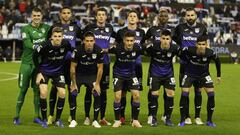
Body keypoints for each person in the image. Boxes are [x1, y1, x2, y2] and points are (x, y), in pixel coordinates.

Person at [13, 7, 50, 125]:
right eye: (34, 15)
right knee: (23, 90)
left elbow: (55, 35)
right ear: (31, 16)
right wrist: (36, 46)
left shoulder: (46, 28)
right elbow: (27, 43)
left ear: (42, 16)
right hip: (26, 64)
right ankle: (16, 116)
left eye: (38, 15)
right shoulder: (26, 28)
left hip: (39, 66)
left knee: (37, 91)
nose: (36, 18)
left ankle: (36, 116)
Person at [47, 6, 82, 126]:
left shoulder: (76, 27)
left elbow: (82, 42)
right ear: (60, 14)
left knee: (72, 88)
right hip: (57, 63)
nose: (66, 15)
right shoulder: (54, 27)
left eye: (68, 13)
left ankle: (72, 116)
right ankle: (51, 115)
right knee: (54, 89)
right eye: (64, 13)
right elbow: (48, 43)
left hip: (71, 63)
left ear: (71, 14)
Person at [173, 7, 208, 125]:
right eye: (188, 15)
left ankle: (197, 117)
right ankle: (186, 116)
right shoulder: (179, 28)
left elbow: (206, 44)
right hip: (185, 65)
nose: (190, 17)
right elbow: (175, 38)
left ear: (196, 16)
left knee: (198, 91)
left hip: (199, 66)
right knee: (185, 91)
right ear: (185, 17)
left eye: (192, 15)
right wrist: (182, 49)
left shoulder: (202, 28)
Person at [178, 36, 221, 127]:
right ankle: (183, 120)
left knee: (211, 94)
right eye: (199, 44)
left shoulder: (210, 53)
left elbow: (218, 61)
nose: (201, 46)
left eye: (203, 44)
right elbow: (180, 53)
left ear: (206, 45)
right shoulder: (189, 49)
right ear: (196, 45)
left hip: (203, 75)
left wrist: (218, 75)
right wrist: (185, 62)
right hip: (189, 74)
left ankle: (209, 120)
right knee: (184, 93)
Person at [33, 27, 72, 128]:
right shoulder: (44, 45)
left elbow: (74, 52)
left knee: (63, 93)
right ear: (51, 37)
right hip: (44, 72)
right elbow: (34, 56)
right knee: (43, 93)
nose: (57, 38)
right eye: (55, 36)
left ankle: (58, 120)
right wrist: (38, 73)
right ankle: (45, 120)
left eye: (59, 36)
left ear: (62, 37)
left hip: (58, 72)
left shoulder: (66, 44)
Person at [83, 7, 115, 126]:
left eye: (103, 15)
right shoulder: (89, 28)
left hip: (105, 63)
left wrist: (108, 49)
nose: (101, 16)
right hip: (91, 64)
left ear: (106, 16)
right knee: (89, 89)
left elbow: (114, 42)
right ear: (96, 17)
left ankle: (102, 117)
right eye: (99, 15)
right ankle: (87, 117)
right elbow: (84, 42)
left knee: (104, 90)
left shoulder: (110, 28)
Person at [115, 10, 145, 124]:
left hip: (137, 66)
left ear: (137, 19)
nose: (132, 17)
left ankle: (134, 117)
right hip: (123, 66)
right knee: (122, 92)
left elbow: (142, 47)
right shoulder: (121, 32)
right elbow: (118, 47)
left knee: (135, 92)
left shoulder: (142, 32)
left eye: (134, 16)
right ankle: (121, 116)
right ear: (127, 18)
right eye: (130, 16)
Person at [144, 30, 179, 127]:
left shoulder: (175, 48)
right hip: (155, 74)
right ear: (160, 38)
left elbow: (183, 55)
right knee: (154, 94)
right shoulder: (153, 46)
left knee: (171, 94)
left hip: (168, 74)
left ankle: (167, 118)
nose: (165, 41)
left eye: (167, 39)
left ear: (170, 40)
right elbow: (144, 51)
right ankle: (153, 118)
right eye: (163, 38)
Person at [145, 9, 174, 124]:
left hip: (167, 68)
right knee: (152, 92)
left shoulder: (172, 30)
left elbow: (176, 45)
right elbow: (144, 42)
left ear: (168, 17)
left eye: (165, 15)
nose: (163, 17)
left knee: (169, 93)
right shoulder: (152, 30)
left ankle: (166, 116)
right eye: (161, 15)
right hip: (155, 67)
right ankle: (151, 115)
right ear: (158, 17)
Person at [70, 31, 103, 128]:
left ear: (94, 41)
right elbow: (72, 68)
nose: (89, 43)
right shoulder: (77, 50)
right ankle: (73, 119)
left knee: (97, 93)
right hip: (79, 75)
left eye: (91, 41)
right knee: (73, 93)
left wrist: (97, 84)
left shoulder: (98, 50)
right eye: (87, 41)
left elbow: (100, 68)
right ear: (83, 41)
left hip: (92, 75)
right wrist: (73, 83)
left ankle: (95, 120)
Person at [110, 31, 142, 128]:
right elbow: (105, 51)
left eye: (131, 41)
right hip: (118, 74)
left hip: (131, 75)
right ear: (124, 40)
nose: (129, 43)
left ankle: (135, 120)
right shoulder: (117, 49)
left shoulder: (137, 48)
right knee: (118, 97)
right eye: (127, 40)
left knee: (136, 95)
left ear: (134, 41)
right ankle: (117, 120)